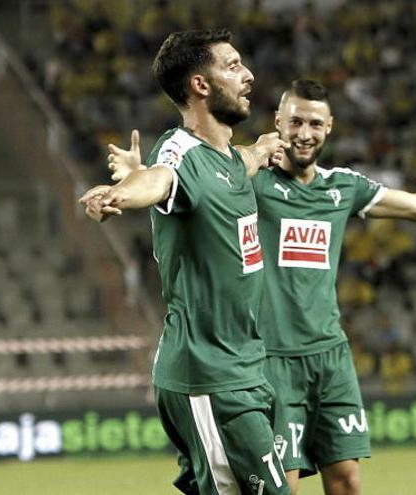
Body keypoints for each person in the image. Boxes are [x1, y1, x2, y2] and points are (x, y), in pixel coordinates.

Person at [108, 79, 416, 495]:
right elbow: (188, 181)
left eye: (315, 123)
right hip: (268, 361)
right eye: (296, 122)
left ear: (329, 128)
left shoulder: (342, 188)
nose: (305, 133)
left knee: (347, 481)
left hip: (330, 357)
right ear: (278, 124)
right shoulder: (250, 179)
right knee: (283, 484)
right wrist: (138, 175)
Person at [79, 28, 289, 495]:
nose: (248, 75)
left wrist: (264, 148)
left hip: (242, 370)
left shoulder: (227, 159)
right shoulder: (180, 152)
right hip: (208, 375)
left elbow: (246, 160)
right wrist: (119, 193)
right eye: (233, 66)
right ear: (200, 85)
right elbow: (159, 179)